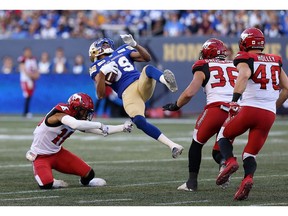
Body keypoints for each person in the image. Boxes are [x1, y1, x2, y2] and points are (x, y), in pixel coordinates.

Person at [215, 27, 288, 201]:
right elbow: (287, 88)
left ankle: (230, 161)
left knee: (223, 135)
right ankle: (247, 179)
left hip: (249, 108)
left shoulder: (245, 57)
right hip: (268, 114)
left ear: (245, 42)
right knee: (250, 153)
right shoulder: (275, 59)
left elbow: (245, 75)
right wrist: (274, 106)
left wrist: (234, 99)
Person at [88, 35, 184, 159]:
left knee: (147, 69)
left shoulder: (123, 50)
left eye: (107, 44)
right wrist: (102, 73)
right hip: (128, 95)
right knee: (138, 121)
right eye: (104, 45)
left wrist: (135, 44)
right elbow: (100, 95)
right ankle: (173, 145)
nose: (107, 46)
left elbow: (146, 58)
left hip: (140, 83)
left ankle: (167, 82)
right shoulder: (96, 66)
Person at [163, 38, 238, 191]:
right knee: (220, 150)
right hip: (235, 112)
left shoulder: (203, 65)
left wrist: (176, 105)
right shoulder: (235, 64)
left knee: (196, 145)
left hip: (215, 110)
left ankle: (191, 183)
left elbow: (190, 92)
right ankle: (225, 163)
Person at [25, 92, 133, 189]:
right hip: (40, 156)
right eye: (84, 111)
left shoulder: (75, 118)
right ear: (76, 108)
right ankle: (52, 180)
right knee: (46, 184)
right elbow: (75, 124)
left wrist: (122, 127)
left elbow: (102, 131)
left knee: (89, 174)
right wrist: (100, 124)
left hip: (57, 153)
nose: (86, 115)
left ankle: (83, 182)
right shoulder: (60, 113)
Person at [18, 47, 40, 118]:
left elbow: (36, 69)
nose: (28, 53)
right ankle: (25, 112)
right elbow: (23, 69)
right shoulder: (23, 59)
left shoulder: (33, 59)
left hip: (32, 80)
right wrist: (32, 76)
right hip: (25, 80)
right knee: (27, 95)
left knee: (30, 95)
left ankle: (26, 111)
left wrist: (36, 75)